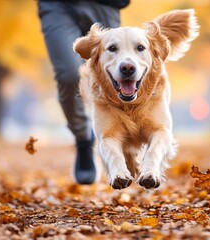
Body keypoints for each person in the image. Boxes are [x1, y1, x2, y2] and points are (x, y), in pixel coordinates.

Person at [37, 0, 130, 184]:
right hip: (57, 6)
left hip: (105, 4)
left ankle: (121, 141)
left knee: (115, 74)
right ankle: (83, 138)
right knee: (69, 75)